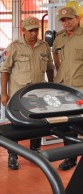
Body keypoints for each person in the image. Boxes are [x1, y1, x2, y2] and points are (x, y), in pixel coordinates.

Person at [0, 16, 54, 170]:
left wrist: (51, 87)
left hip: (38, 94)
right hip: (18, 94)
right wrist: (4, 94)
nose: (34, 33)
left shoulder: (44, 46)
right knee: (15, 125)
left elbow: (50, 67)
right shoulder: (14, 47)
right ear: (23, 31)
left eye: (36, 30)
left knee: (38, 123)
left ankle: (35, 151)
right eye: (30, 31)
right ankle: (12, 155)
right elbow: (5, 71)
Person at [52, 6, 83, 171]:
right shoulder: (60, 37)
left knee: (81, 122)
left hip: (80, 86)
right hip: (63, 86)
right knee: (67, 122)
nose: (66, 23)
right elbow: (55, 54)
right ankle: (70, 158)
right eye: (63, 20)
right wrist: (60, 71)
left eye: (69, 19)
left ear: (77, 19)